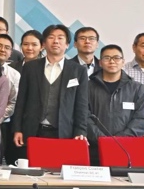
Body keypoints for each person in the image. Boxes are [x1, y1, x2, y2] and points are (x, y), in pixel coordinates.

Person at [12, 25, 90, 153]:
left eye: (60, 38)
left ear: (67, 44)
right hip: (33, 130)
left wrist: (80, 131)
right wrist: (17, 129)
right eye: (51, 37)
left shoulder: (78, 70)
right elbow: (21, 100)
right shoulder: (30, 67)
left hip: (64, 132)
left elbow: (81, 105)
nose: (56, 41)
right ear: (44, 44)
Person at [86, 45, 144, 165]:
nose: (112, 61)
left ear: (123, 62)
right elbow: (84, 116)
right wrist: (102, 140)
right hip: (94, 150)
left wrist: (119, 140)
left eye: (116, 58)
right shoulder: (87, 87)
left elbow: (142, 119)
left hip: (126, 150)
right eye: (107, 58)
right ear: (100, 62)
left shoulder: (137, 88)